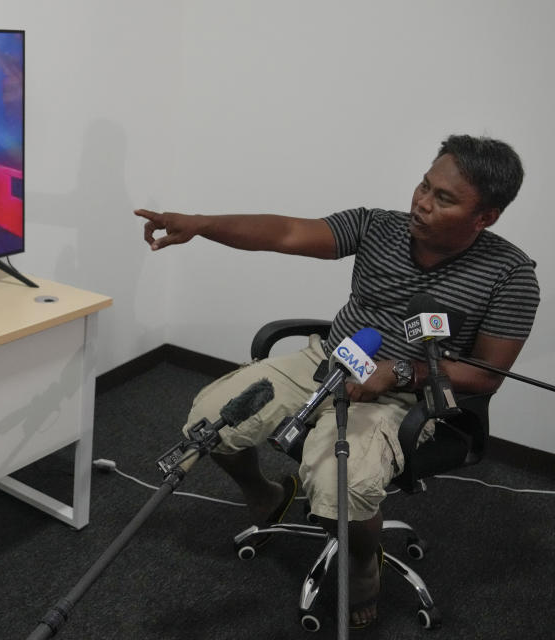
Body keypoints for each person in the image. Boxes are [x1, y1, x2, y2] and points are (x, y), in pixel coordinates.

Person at [134, 134, 539, 628]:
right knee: (208, 422)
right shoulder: (377, 226)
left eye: (444, 199)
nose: (421, 203)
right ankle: (265, 494)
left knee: (338, 487)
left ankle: (362, 564)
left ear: (486, 216)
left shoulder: (510, 275)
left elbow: (486, 375)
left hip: (402, 396)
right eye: (423, 186)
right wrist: (200, 225)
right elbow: (284, 232)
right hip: (328, 360)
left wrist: (404, 370)